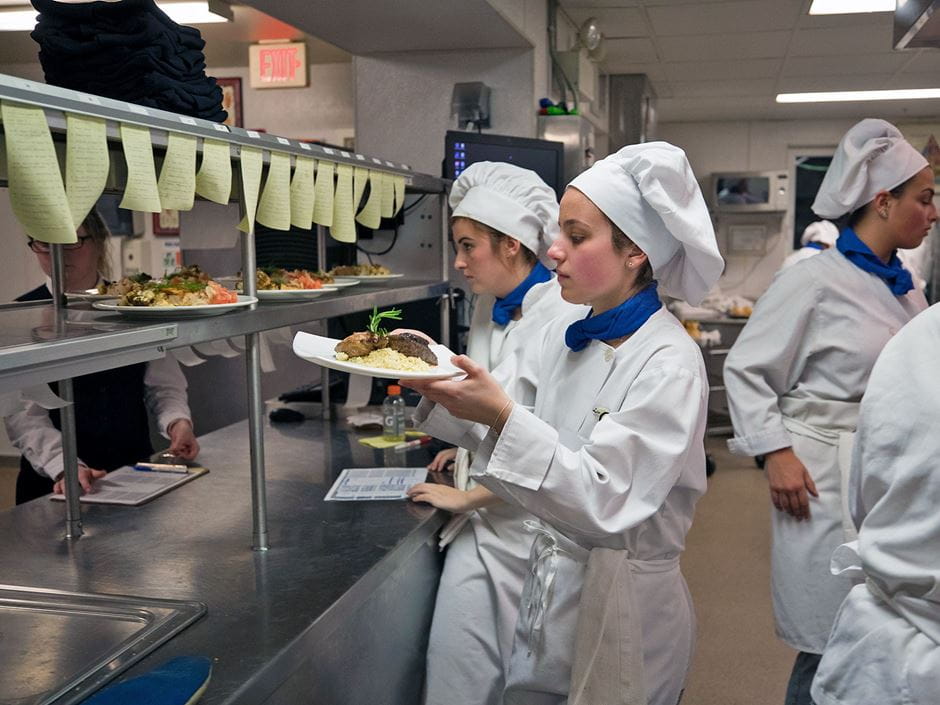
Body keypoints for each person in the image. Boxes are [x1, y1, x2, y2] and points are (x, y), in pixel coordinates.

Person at [407, 142, 724, 705]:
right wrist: (445, 395)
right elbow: (525, 449)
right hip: (552, 579)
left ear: (636, 253)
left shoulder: (669, 362)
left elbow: (605, 500)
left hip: (623, 599)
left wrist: (499, 414)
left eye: (577, 238)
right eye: (560, 233)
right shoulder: (566, 330)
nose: (552, 251)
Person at [723, 118, 934, 705]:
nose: (933, 212)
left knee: (878, 616)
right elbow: (747, 368)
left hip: (883, 467)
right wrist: (776, 453)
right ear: (884, 201)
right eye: (925, 198)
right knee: (829, 628)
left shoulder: (904, 288)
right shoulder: (814, 279)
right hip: (819, 470)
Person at [405, 162, 582, 705]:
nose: (458, 263)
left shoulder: (563, 319)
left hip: (533, 530)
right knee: (456, 676)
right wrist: (461, 449)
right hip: (486, 528)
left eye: (467, 246)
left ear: (511, 245)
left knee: (530, 686)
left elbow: (553, 445)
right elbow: (492, 400)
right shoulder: (489, 305)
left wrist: (468, 494)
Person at [5, 209, 199, 504]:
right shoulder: (20, 315)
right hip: (54, 484)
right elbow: (23, 415)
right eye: (44, 243)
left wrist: (177, 422)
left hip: (132, 471)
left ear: (97, 242)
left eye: (70, 241)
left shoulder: (132, 304)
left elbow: (163, 384)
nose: (56, 254)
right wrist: (63, 465)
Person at [810, 303, 940, 705]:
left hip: (888, 624)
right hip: (818, 433)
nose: (926, 233)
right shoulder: (811, 277)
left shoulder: (920, 327)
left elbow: (864, 500)